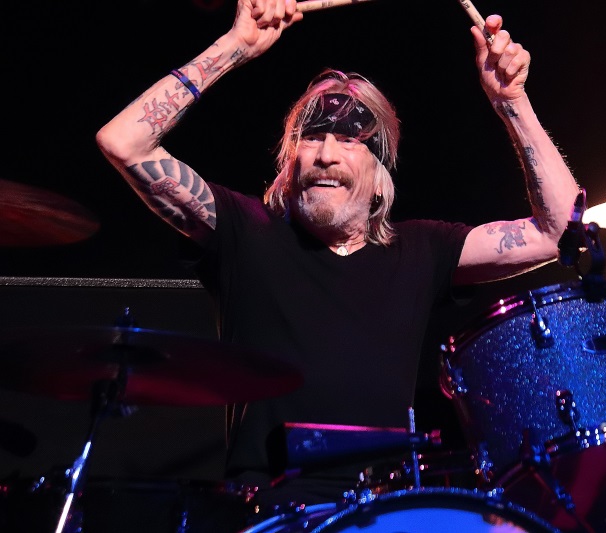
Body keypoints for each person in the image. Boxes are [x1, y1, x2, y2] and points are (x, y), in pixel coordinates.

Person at [96, 0, 579, 512]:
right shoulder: (245, 231)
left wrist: (511, 101)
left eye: (349, 140)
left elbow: (560, 231)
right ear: (289, 162)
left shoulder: (422, 249)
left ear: (380, 175)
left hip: (391, 511)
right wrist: (234, 47)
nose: (326, 154)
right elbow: (123, 142)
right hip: (271, 512)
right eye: (311, 138)